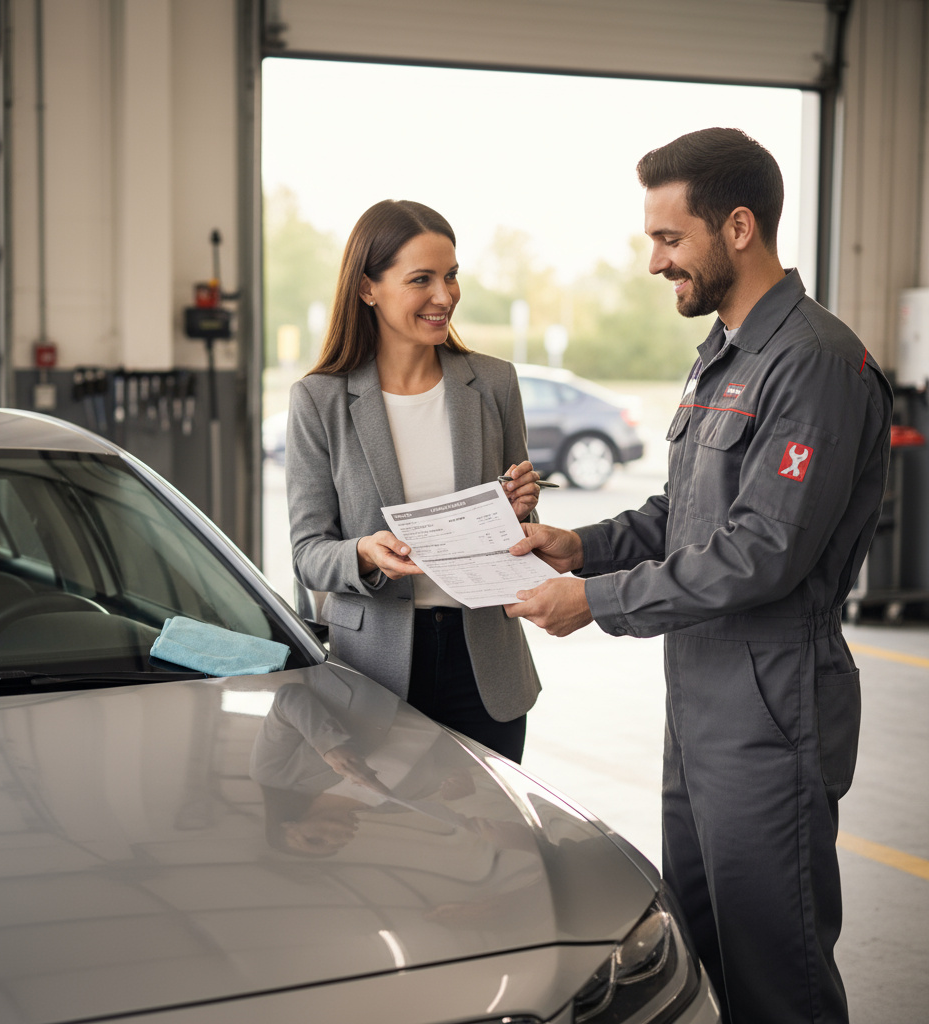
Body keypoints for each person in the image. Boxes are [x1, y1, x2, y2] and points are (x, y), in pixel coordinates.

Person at [505, 128, 893, 1024]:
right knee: (706, 958)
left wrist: (594, 603)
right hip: (703, 698)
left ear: (740, 228)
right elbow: (680, 516)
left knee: (776, 972)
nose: (654, 261)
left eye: (670, 239)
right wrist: (578, 546)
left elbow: (763, 550)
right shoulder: (722, 354)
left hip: (772, 702)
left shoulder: (814, 362)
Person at [285, 199, 542, 763]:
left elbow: (524, 535)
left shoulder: (494, 383)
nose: (444, 296)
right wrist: (365, 553)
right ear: (367, 288)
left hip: (485, 668)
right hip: (372, 668)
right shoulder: (319, 400)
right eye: (421, 279)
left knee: (487, 841)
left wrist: (519, 508)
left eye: (451, 277)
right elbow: (308, 553)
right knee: (390, 842)